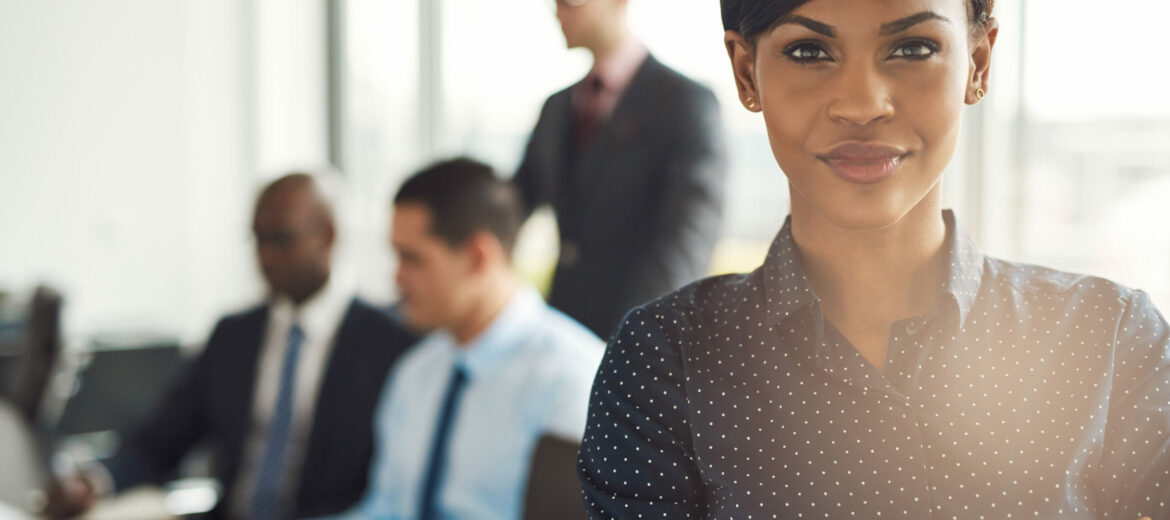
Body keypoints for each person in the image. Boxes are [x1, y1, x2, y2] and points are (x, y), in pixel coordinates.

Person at [577, 0, 1170, 518]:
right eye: (809, 52)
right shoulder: (664, 361)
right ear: (745, 70)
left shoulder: (1113, 341)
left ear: (979, 60)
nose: (862, 104)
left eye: (913, 47)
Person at [46, 173, 416, 520]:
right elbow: (160, 442)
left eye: (281, 239)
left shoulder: (391, 344)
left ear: (328, 235)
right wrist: (95, 481)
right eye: (258, 238)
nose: (266, 256)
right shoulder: (234, 335)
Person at [326, 158, 603, 520]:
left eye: (412, 259)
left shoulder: (577, 382)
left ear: (476, 258)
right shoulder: (417, 372)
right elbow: (386, 510)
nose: (396, 279)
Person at [514, 0, 728, 339]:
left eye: (569, 2)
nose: (557, 12)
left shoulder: (684, 102)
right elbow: (513, 205)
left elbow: (687, 238)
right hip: (563, 325)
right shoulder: (556, 107)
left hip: (639, 334)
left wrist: (646, 339)